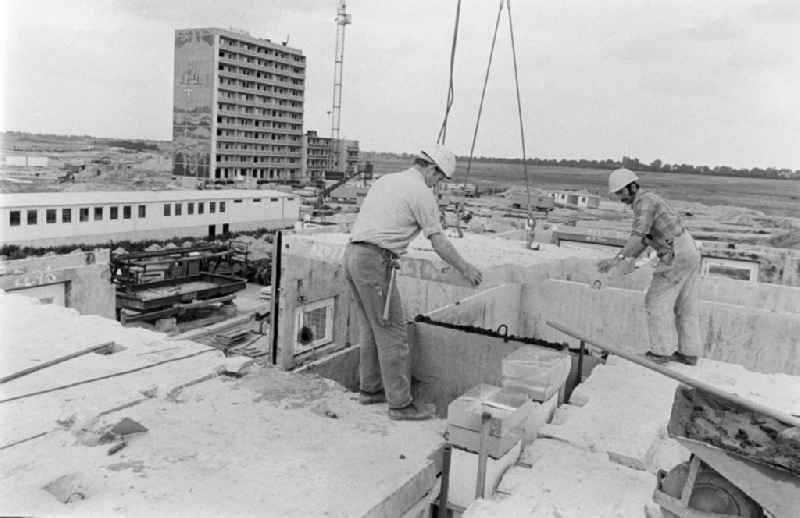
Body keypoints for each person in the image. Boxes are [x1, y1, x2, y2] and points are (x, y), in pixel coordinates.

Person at [343, 144, 483, 420]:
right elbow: (438, 241)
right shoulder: (421, 193)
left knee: (372, 330)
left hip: (353, 256)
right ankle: (400, 405)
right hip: (373, 262)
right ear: (431, 169)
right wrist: (465, 268)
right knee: (393, 334)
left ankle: (370, 391)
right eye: (440, 178)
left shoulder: (388, 180)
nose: (439, 184)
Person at [597, 168, 701, 366]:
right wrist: (628, 262)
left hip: (676, 253)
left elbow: (637, 236)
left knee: (655, 300)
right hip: (688, 250)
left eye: (621, 193)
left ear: (632, 187)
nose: (620, 198)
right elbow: (645, 240)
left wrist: (617, 259)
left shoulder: (644, 202)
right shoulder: (648, 200)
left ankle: (660, 353)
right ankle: (689, 353)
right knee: (685, 306)